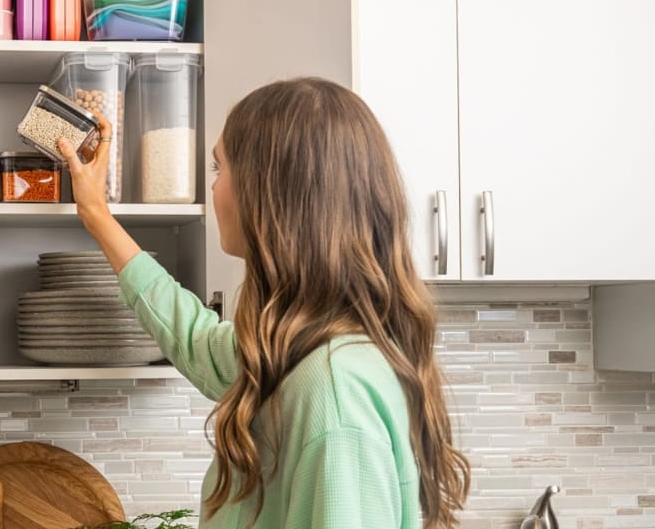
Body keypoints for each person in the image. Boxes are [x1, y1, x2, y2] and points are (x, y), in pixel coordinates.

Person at [57, 77, 471, 528]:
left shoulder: (332, 396)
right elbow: (199, 341)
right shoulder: (299, 348)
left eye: (219, 170)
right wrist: (96, 214)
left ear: (265, 194)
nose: (212, 190)